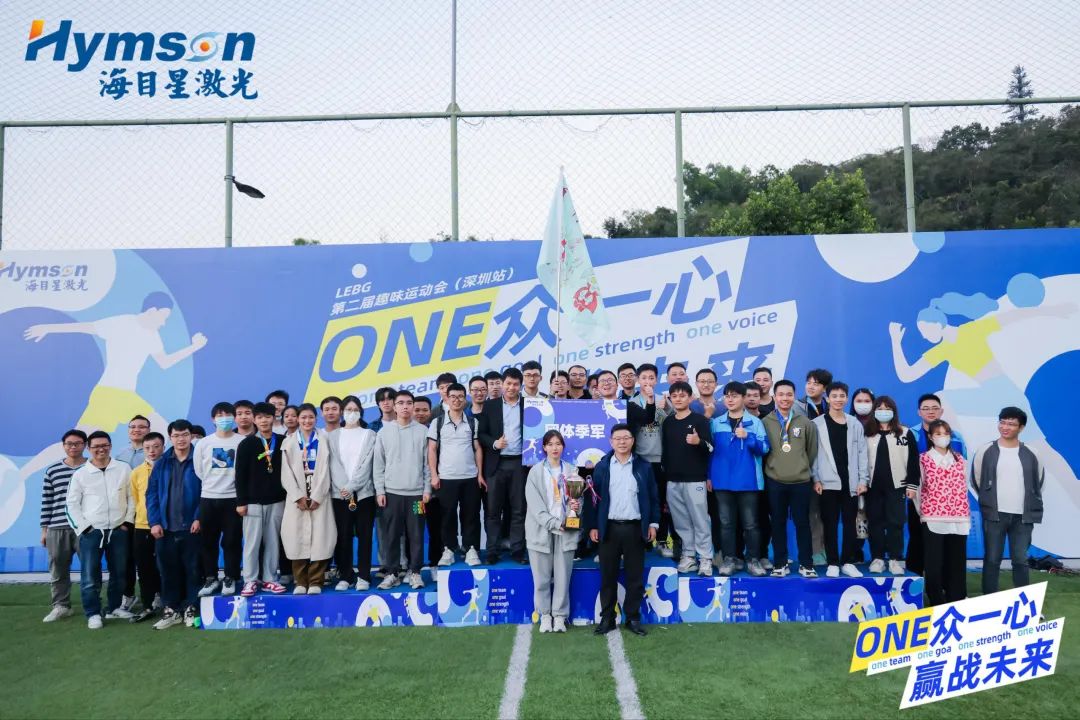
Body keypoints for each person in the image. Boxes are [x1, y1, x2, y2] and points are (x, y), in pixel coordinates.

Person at [585, 424, 659, 637]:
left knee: (635, 577)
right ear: (611, 442)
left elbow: (654, 497)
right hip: (609, 528)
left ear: (632, 441)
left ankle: (633, 618)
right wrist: (593, 525)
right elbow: (593, 499)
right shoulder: (602, 466)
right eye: (617, 438)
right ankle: (607, 618)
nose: (622, 442)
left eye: (626, 438)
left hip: (635, 528)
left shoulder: (643, 466)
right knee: (607, 576)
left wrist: (653, 524)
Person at [972, 407, 1044, 595]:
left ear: (1021, 428)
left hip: (1023, 516)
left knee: (1020, 559)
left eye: (1011, 424)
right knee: (992, 559)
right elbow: (976, 480)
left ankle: (1023, 600)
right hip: (994, 514)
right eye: (1002, 422)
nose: (1005, 427)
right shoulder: (985, 450)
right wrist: (989, 499)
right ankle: (989, 598)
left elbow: (1039, 482)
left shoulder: (1032, 452)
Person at [66, 430, 134, 629]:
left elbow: (132, 497)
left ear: (110, 446)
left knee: (119, 572)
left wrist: (127, 523)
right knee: (90, 576)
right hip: (92, 532)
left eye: (104, 445)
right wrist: (84, 528)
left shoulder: (123, 468)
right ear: (89, 448)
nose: (101, 449)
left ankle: (114, 608)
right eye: (96, 446)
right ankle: (93, 613)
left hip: (118, 530)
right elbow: (71, 504)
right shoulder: (81, 474)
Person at [525, 430, 583, 633]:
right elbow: (535, 506)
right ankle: (545, 615)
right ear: (544, 448)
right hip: (541, 531)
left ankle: (559, 616)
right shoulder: (535, 472)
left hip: (566, 531)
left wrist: (576, 507)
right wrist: (554, 523)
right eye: (550, 444)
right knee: (541, 578)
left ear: (563, 447)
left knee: (563, 577)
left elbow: (579, 501)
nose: (554, 448)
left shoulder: (572, 471)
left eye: (558, 443)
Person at [709, 381, 769, 577]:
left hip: (748, 481)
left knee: (751, 524)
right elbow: (708, 452)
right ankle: (729, 559)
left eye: (734, 396)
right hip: (722, 481)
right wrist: (709, 477)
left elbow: (764, 448)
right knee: (726, 524)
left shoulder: (755, 422)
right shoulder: (716, 423)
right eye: (727, 396)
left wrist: (748, 438)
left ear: (743, 398)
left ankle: (753, 559)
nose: (730, 399)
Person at [146, 420, 202, 630]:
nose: (181, 439)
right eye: (176, 436)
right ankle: (171, 610)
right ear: (170, 438)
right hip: (165, 528)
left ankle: (191, 608)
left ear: (191, 436)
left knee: (193, 570)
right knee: (168, 571)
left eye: (185, 434)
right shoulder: (162, 463)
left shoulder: (199, 459)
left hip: (192, 527)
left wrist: (199, 517)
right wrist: (154, 522)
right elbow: (151, 494)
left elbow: (207, 490)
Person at [374, 391, 432, 589]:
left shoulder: (423, 431)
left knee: (416, 535)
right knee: (391, 536)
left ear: (413, 406)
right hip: (391, 495)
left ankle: (415, 572)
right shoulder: (384, 432)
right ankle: (392, 573)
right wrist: (380, 491)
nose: (405, 406)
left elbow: (427, 465)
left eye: (409, 403)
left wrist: (427, 490)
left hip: (417, 496)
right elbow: (378, 465)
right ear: (394, 406)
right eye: (400, 403)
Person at [762, 380, 819, 578]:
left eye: (789, 394)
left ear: (794, 396)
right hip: (775, 481)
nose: (784, 398)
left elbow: (811, 451)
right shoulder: (765, 422)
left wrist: (800, 466)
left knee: (802, 523)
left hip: (801, 482)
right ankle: (780, 563)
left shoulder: (805, 422)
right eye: (781, 394)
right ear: (774, 397)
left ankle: (806, 564)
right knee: (777, 524)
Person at [811, 382, 869, 578]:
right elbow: (813, 455)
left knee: (850, 523)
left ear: (846, 398)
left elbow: (862, 453)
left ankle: (847, 562)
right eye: (834, 396)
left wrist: (863, 480)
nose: (838, 399)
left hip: (851, 483)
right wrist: (816, 479)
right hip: (827, 483)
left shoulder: (854, 423)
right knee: (830, 524)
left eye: (842, 396)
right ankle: (833, 562)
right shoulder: (816, 424)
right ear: (827, 399)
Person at [907, 393, 968, 574]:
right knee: (917, 538)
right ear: (919, 412)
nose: (931, 412)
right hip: (918, 497)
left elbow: (963, 469)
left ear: (941, 411)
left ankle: (944, 583)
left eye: (935, 408)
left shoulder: (955, 437)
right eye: (926, 408)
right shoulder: (910, 434)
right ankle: (915, 581)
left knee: (946, 545)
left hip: (946, 504)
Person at [234, 403, 289, 597]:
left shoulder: (283, 441)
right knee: (252, 543)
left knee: (273, 542)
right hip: (252, 503)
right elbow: (240, 475)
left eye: (267, 416)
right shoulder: (247, 443)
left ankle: (270, 579)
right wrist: (241, 502)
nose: (264, 421)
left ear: (274, 418)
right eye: (259, 417)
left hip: (277, 501)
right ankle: (250, 580)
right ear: (254, 420)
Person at [281, 403, 336, 594]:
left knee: (321, 538)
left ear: (316, 418)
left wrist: (318, 495)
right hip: (297, 494)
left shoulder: (324, 439)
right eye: (303, 417)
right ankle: (300, 581)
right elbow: (285, 473)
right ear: (297, 419)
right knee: (295, 538)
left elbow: (328, 469)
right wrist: (297, 496)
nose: (307, 421)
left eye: (310, 417)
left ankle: (316, 581)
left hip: (320, 493)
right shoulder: (288, 442)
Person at [428, 382, 484, 567]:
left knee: (471, 515)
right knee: (447, 516)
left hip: (470, 477)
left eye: (460, 397)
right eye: (453, 396)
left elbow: (477, 448)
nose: (457, 400)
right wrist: (434, 475)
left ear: (465, 399)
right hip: (446, 478)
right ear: (447, 398)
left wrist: (480, 474)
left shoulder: (473, 422)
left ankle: (471, 549)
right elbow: (432, 449)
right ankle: (449, 549)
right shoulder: (437, 422)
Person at [661, 380, 714, 575]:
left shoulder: (700, 420)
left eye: (682, 395)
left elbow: (711, 448)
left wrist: (698, 441)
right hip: (673, 480)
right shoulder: (668, 422)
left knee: (700, 521)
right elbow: (665, 451)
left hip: (695, 479)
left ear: (690, 398)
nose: (678, 399)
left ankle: (705, 558)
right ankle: (689, 556)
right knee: (681, 522)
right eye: (674, 396)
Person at [194, 402, 245, 597]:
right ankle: (211, 578)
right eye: (220, 415)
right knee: (208, 541)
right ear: (213, 419)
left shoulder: (242, 441)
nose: (224, 419)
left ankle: (231, 577)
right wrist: (212, 486)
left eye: (228, 415)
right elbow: (199, 470)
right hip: (208, 498)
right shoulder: (204, 443)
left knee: (232, 541)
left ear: (234, 418)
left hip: (233, 499)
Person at [864, 396, 919, 576]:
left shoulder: (904, 433)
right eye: (879, 408)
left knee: (896, 523)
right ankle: (878, 558)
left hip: (897, 486)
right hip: (872, 487)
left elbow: (913, 461)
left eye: (887, 408)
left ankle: (895, 559)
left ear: (893, 411)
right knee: (875, 523)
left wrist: (912, 486)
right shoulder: (867, 433)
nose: (883, 411)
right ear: (874, 411)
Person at [327, 396, 377, 591]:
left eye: (356, 410)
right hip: (340, 494)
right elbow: (333, 464)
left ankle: (364, 575)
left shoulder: (370, 434)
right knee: (343, 536)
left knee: (365, 536)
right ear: (342, 412)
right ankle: (346, 576)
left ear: (361, 412)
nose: (352, 413)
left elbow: (367, 464)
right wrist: (344, 487)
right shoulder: (332, 436)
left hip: (364, 494)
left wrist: (353, 486)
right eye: (348, 409)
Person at [478, 368, 527, 564]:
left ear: (520, 386)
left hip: (520, 464)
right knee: (492, 511)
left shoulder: (529, 405)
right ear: (502, 384)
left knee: (519, 510)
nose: (511, 387)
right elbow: (481, 434)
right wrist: (494, 443)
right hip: (496, 465)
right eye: (508, 383)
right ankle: (492, 551)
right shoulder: (490, 405)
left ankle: (517, 550)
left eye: (516, 384)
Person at [918, 420, 969, 606]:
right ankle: (936, 600)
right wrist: (924, 511)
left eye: (946, 433)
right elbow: (919, 489)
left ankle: (957, 599)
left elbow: (965, 485)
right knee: (933, 563)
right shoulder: (923, 459)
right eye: (938, 434)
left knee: (956, 562)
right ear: (930, 437)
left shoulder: (960, 460)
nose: (942, 437)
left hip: (959, 518)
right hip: (933, 517)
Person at [626, 363, 673, 557]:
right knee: (638, 499)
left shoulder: (665, 400)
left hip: (660, 459)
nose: (647, 381)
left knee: (660, 500)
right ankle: (641, 540)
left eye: (651, 378)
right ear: (638, 380)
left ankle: (662, 540)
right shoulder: (631, 403)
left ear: (657, 379)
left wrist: (666, 406)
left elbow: (674, 424)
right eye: (644, 378)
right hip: (639, 458)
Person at [40, 429, 87, 623]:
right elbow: (47, 501)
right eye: (69, 444)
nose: (73, 447)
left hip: (85, 527)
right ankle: (61, 606)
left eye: (77, 443)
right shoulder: (52, 470)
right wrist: (44, 530)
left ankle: (92, 605)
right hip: (57, 527)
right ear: (64, 446)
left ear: (85, 445)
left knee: (89, 568)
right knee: (58, 569)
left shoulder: (91, 467)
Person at [128, 431, 164, 622]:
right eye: (147, 448)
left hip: (167, 525)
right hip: (142, 526)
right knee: (144, 567)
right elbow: (135, 499)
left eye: (156, 447)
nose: (152, 451)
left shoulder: (169, 467)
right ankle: (147, 605)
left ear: (163, 447)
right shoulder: (136, 472)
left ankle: (169, 602)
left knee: (167, 566)